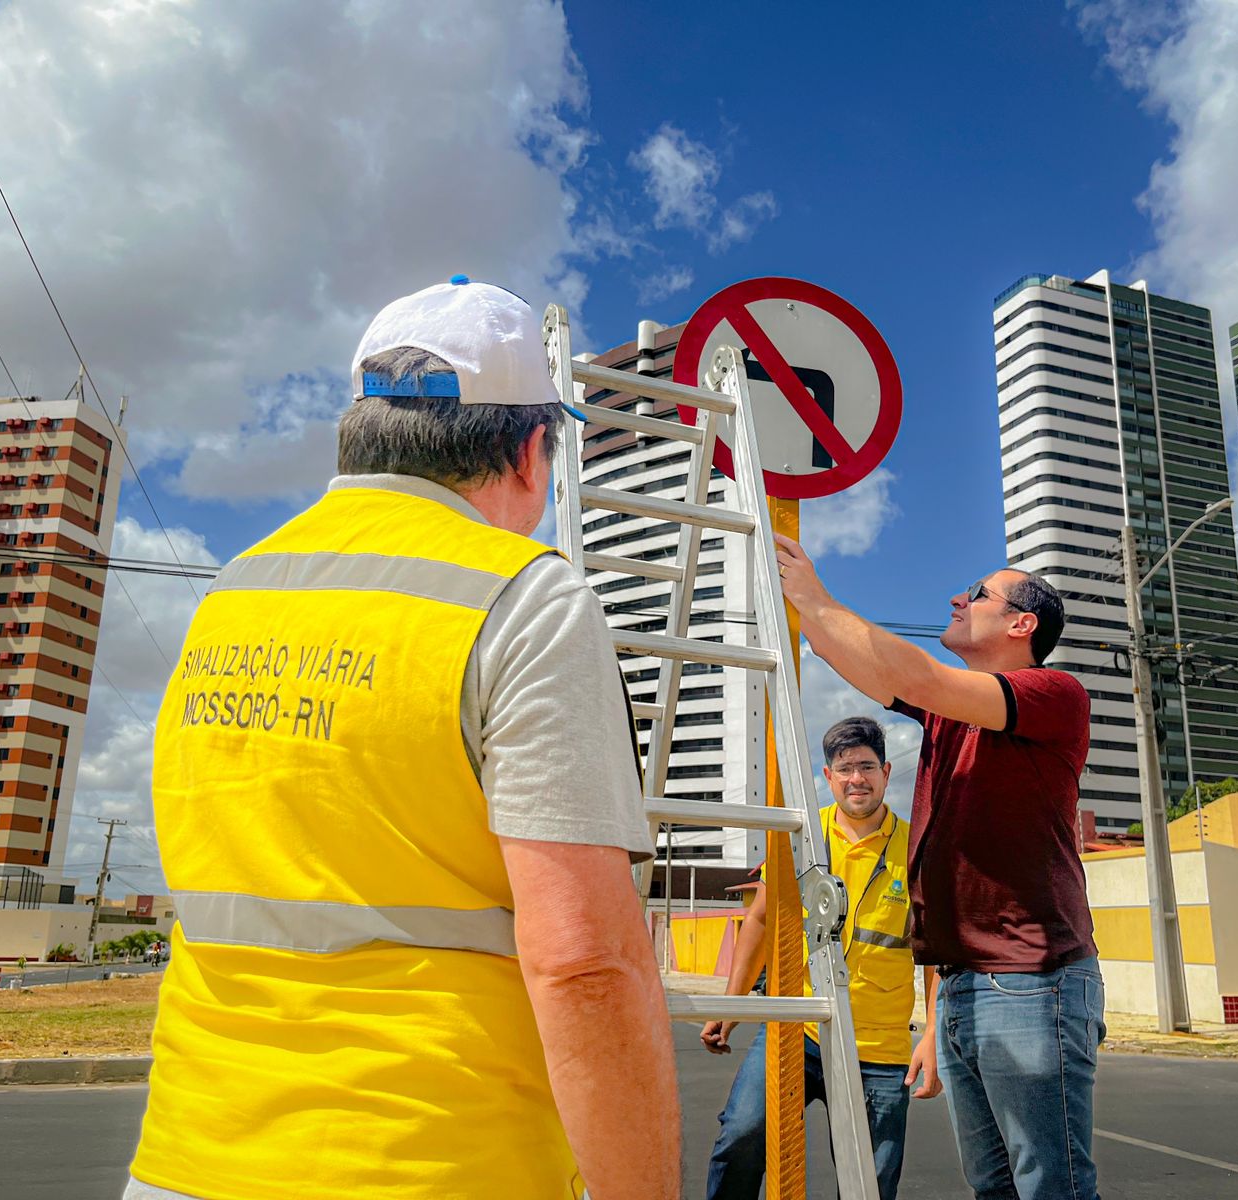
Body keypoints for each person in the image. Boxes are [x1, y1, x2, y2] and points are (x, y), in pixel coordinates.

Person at [125, 277, 681, 1200]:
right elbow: (583, 960)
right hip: (433, 1161)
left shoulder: (235, 591)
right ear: (531, 451)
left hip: (188, 1155)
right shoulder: (524, 597)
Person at [774, 538, 1105, 1200]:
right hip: (961, 987)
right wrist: (801, 603)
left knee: (1051, 1188)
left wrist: (816, 596)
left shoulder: (1051, 692)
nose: (957, 599)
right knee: (994, 1188)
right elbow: (875, 669)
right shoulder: (951, 712)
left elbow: (915, 674)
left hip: (1030, 983)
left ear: (1022, 624)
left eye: (978, 594)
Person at [700, 716, 940, 1200]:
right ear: (827, 776)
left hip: (878, 1048)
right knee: (741, 1138)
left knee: (869, 1184)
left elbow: (936, 955)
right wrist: (733, 1006)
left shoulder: (916, 850)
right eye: (845, 767)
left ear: (887, 772)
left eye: (867, 766)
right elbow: (761, 922)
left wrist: (933, 1037)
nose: (857, 778)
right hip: (796, 1026)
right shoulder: (801, 838)